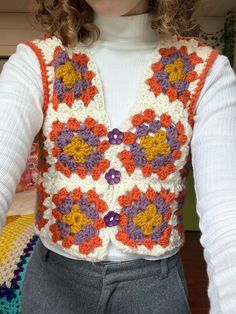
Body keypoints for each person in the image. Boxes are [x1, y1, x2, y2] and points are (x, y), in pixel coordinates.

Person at [0, 0, 236, 313]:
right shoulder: (36, 63)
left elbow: (227, 220)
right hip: (53, 285)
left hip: (155, 291)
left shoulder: (206, 72)